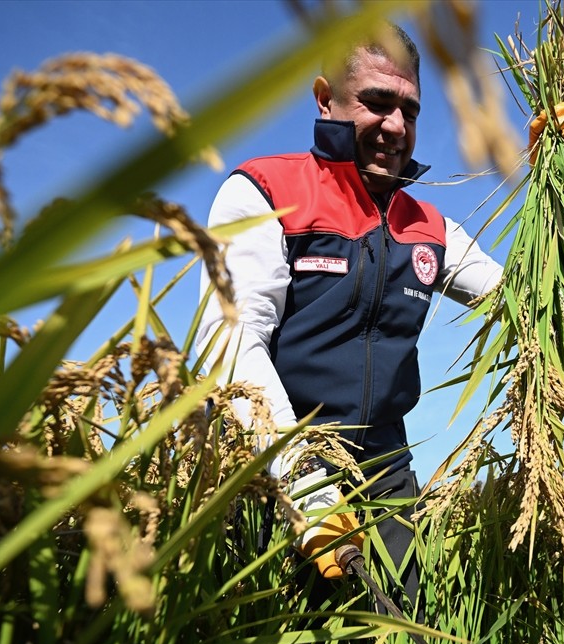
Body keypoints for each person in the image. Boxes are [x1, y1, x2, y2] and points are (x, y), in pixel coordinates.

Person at [194, 24, 503, 609]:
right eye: (376, 103)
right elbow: (232, 342)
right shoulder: (265, 192)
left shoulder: (431, 228)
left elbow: (526, 300)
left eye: (408, 110)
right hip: (272, 461)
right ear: (325, 99)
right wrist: (304, 484)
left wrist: (562, 184)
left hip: (385, 473)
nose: (394, 126)